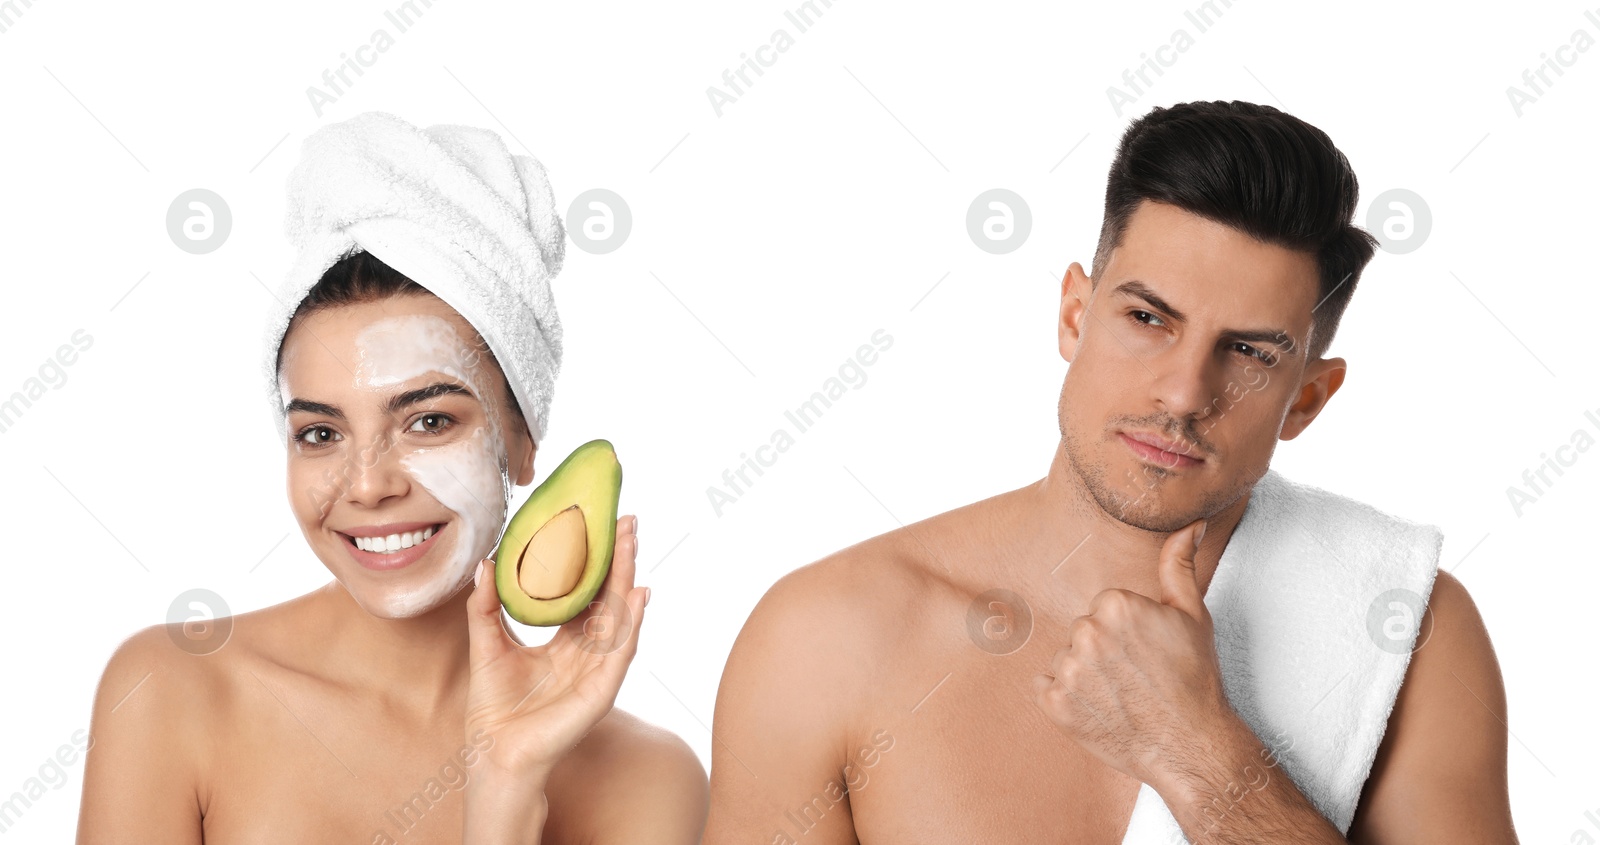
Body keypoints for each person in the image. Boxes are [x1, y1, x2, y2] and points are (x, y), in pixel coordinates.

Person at [703, 100, 1517, 843]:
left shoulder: (1401, 625)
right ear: (1073, 315)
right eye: (1147, 318)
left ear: (1306, 399)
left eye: (1247, 352)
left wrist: (1202, 754)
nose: (1184, 391)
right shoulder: (824, 642)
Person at [77, 112, 707, 843]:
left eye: (428, 421)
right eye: (321, 433)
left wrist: (504, 783)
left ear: (523, 440)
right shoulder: (172, 691)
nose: (368, 485)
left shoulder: (648, 777)